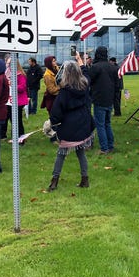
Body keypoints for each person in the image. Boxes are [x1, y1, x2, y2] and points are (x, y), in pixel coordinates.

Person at [48, 61, 95, 190]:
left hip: (69, 126)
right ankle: (85, 179)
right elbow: (87, 75)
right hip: (84, 124)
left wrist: (51, 123)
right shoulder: (85, 86)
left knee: (61, 153)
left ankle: (54, 181)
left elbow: (56, 113)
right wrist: (81, 64)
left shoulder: (64, 92)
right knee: (80, 152)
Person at [85, 46, 117, 154]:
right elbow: (117, 84)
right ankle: (110, 145)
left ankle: (104, 148)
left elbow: (88, 80)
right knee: (107, 123)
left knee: (100, 124)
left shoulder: (96, 67)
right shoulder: (112, 67)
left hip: (99, 99)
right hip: (110, 99)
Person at [3, 61, 27, 140]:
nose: (8, 65)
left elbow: (22, 88)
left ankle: (21, 137)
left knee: (17, 120)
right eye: (8, 64)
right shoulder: (7, 74)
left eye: (10, 64)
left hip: (18, 102)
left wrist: (13, 84)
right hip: (10, 101)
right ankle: (14, 136)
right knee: (11, 119)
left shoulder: (20, 75)